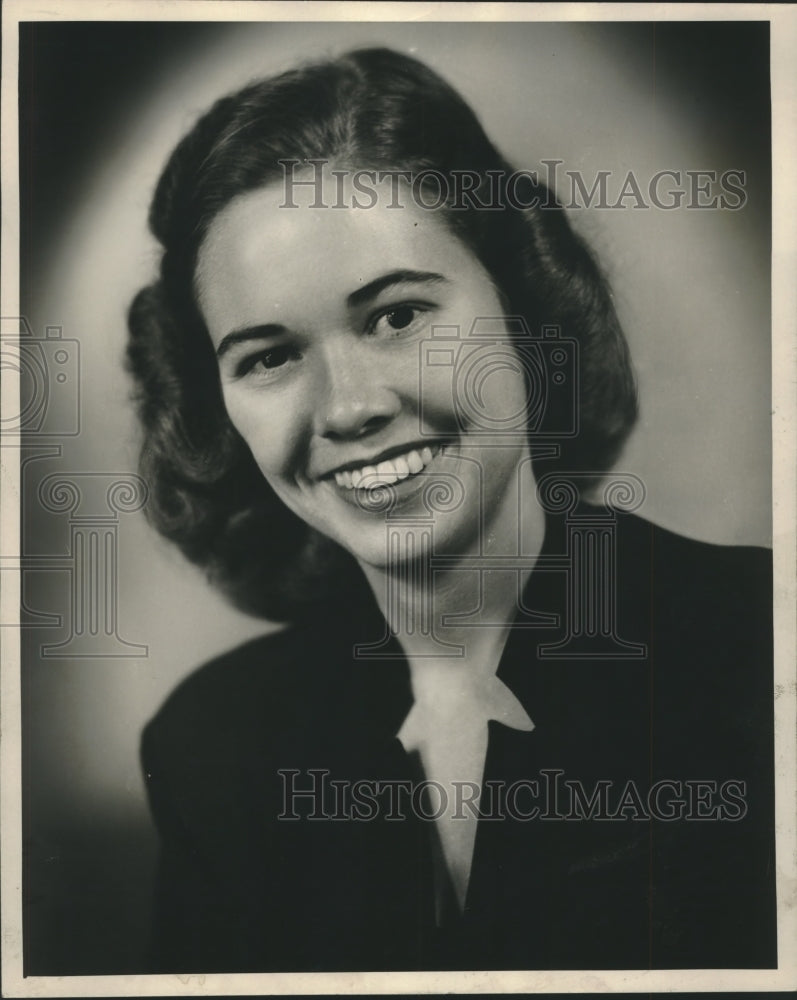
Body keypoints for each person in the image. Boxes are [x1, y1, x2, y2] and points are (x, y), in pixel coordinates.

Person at [127, 47, 776, 972]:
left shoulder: (761, 651)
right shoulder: (212, 749)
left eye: (396, 316)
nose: (350, 407)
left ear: (522, 308)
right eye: (267, 357)